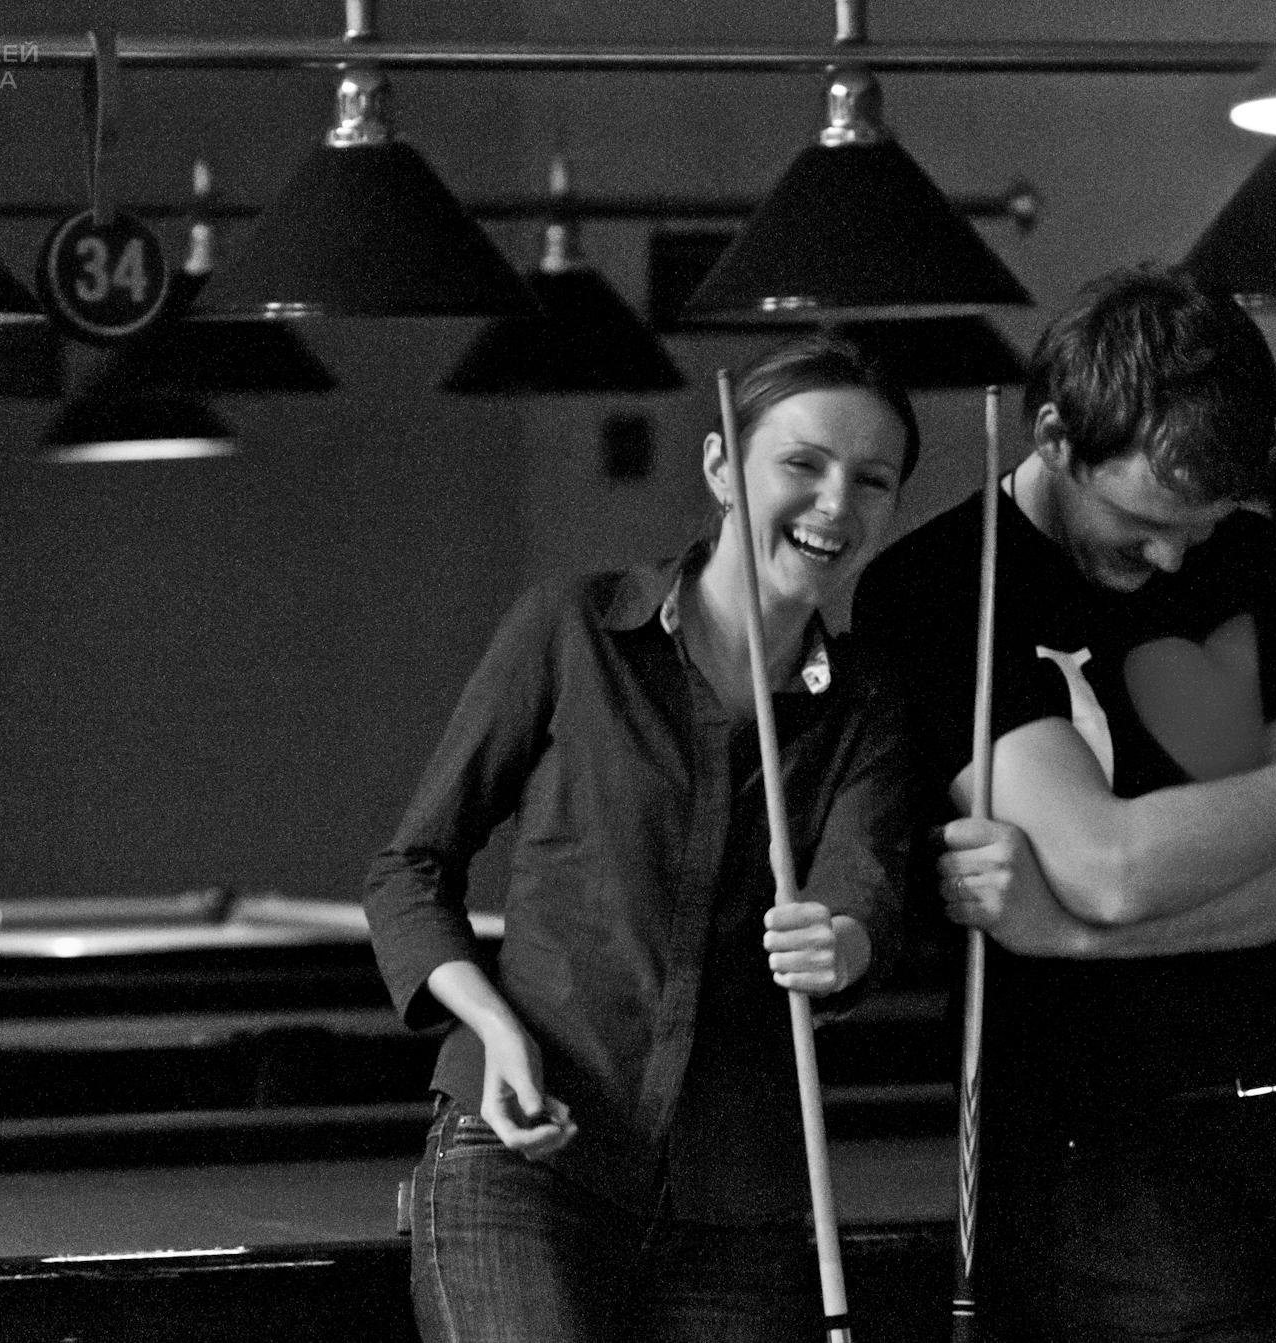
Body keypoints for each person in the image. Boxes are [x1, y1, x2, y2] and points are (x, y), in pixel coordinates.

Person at [854, 266, 1276, 1342]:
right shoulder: (942, 585)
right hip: (1098, 1153)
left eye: (1198, 526)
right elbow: (1107, 864)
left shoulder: (1246, 555)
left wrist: (1068, 933)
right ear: (1055, 436)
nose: (1170, 557)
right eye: (1143, 520)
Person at [365, 334, 919, 1343]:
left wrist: (839, 944)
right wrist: (496, 1030)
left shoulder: (866, 707)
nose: (837, 501)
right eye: (802, 463)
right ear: (721, 466)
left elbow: (862, 893)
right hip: (525, 1159)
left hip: (735, 1200)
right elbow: (410, 870)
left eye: (871, 479)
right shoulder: (571, 629)